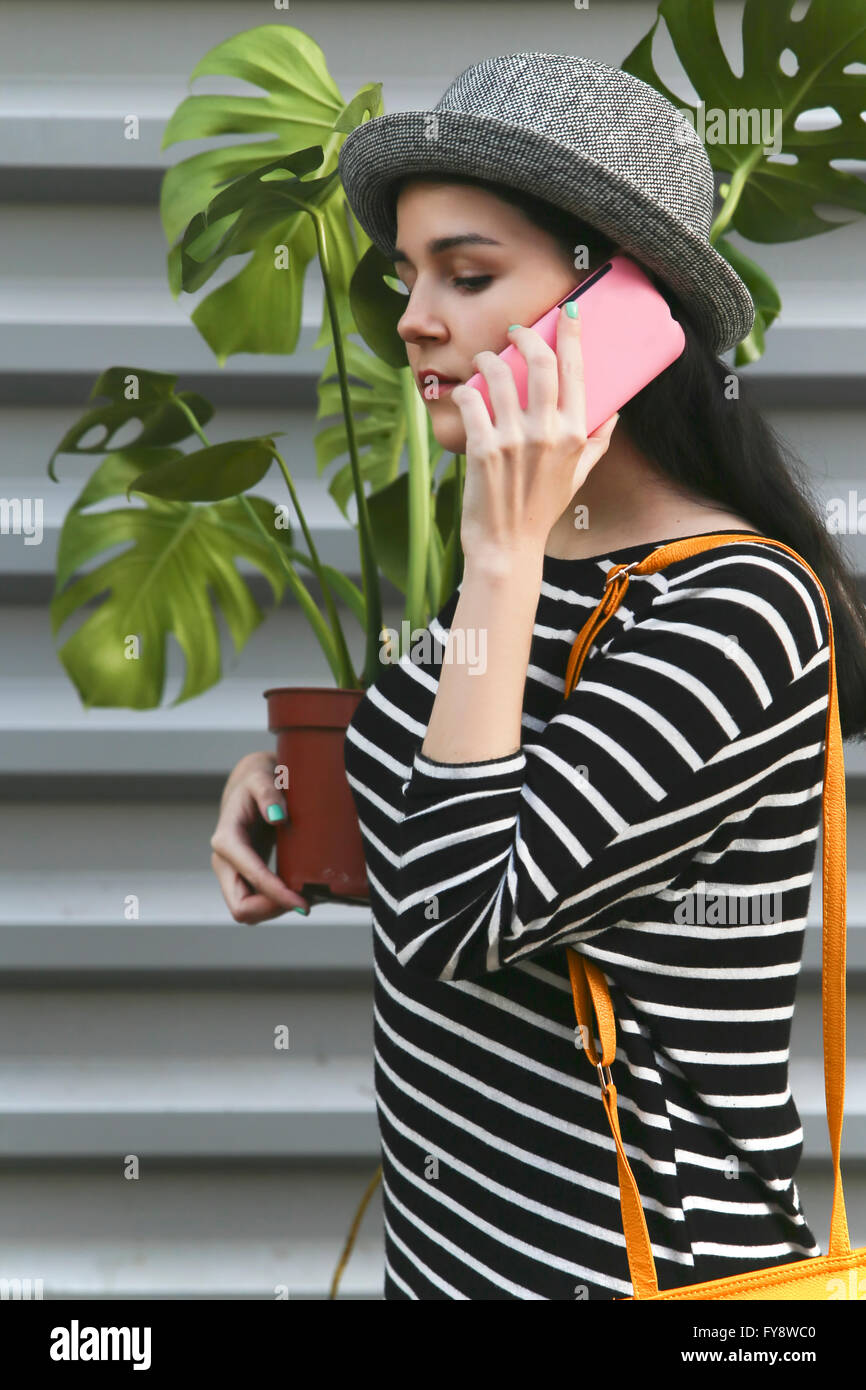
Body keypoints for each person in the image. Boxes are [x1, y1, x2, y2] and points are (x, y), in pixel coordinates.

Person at [211, 53, 866, 1299]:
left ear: (625, 309)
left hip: (646, 1271)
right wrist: (290, 791)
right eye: (407, 276)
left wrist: (501, 550)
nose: (412, 317)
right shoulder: (538, 552)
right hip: (458, 1258)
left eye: (467, 274)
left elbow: (462, 913)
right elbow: (516, 838)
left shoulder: (734, 606)